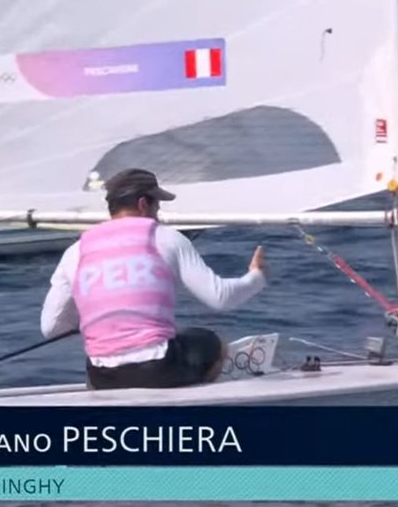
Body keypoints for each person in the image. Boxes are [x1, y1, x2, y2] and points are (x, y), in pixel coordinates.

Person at [40, 168, 268, 391]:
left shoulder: (75, 251)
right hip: (159, 370)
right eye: (157, 205)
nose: (158, 213)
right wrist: (256, 277)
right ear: (143, 204)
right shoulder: (167, 237)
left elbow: (50, 327)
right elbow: (221, 298)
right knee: (209, 341)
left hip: (101, 377)